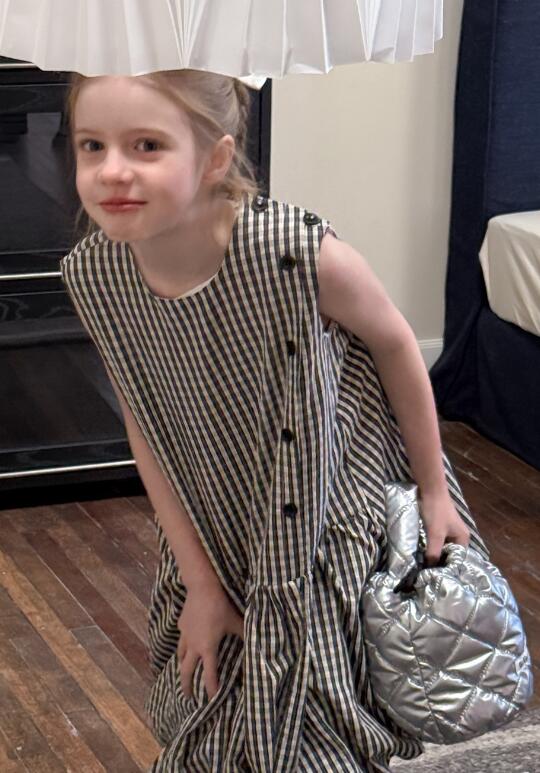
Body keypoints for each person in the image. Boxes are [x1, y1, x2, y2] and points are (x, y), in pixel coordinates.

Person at [60, 69, 489, 772]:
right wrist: (199, 580)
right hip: (212, 524)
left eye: (146, 145)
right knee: (211, 699)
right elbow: (142, 421)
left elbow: (396, 343)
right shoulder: (96, 275)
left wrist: (435, 492)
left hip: (323, 514)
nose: (112, 171)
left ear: (216, 158)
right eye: (91, 145)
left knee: (321, 719)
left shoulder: (296, 253)